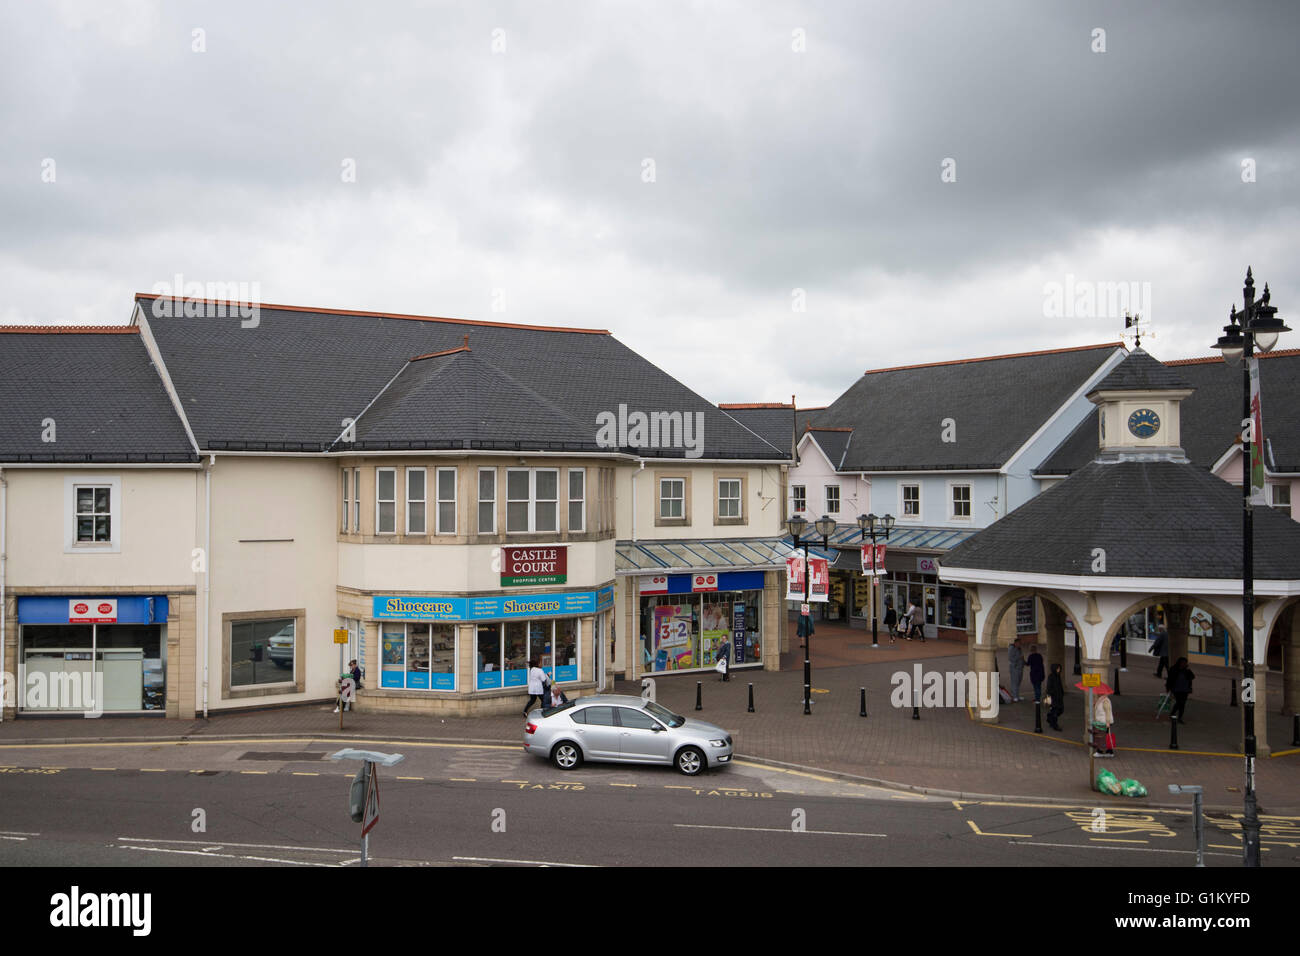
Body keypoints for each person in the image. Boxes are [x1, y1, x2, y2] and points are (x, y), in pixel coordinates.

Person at [1167, 657, 1195, 723]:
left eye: (1185, 663)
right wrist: (1168, 688)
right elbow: (1169, 679)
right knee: (1179, 702)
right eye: (1183, 662)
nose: (1184, 664)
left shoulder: (1187, 670)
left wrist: (1188, 670)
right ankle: (1173, 713)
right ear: (1179, 662)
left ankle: (1180, 717)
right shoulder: (1173, 669)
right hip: (1176, 689)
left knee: (1182, 704)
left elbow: (1192, 677)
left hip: (1185, 689)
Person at [1093, 690, 1115, 757]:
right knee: (1103, 737)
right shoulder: (1100, 699)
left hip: (1104, 722)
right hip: (1100, 721)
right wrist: (1095, 704)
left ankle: (1101, 751)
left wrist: (1107, 723)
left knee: (1102, 737)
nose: (1098, 692)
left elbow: (1108, 712)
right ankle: (1108, 751)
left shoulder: (1105, 701)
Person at [1045, 662, 1065, 731]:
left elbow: (1060, 685)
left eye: (1059, 668)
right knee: (1055, 711)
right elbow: (1049, 687)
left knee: (1061, 710)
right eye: (1058, 668)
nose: (1059, 670)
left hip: (1059, 697)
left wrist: (1062, 693)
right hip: (1054, 697)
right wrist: (1049, 695)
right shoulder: (1051, 677)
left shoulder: (1058, 676)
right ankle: (1055, 725)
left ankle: (1050, 718)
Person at [1007, 638, 1026, 702]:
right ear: (1016, 643)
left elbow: (1021, 657)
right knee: (1014, 682)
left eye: (1020, 643)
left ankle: (1017, 695)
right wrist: (1019, 657)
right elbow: (1011, 658)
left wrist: (1024, 662)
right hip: (1014, 668)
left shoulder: (1019, 649)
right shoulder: (1011, 649)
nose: (1020, 644)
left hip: (1020, 668)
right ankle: (1014, 696)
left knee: (1018, 682)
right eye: (1019, 643)